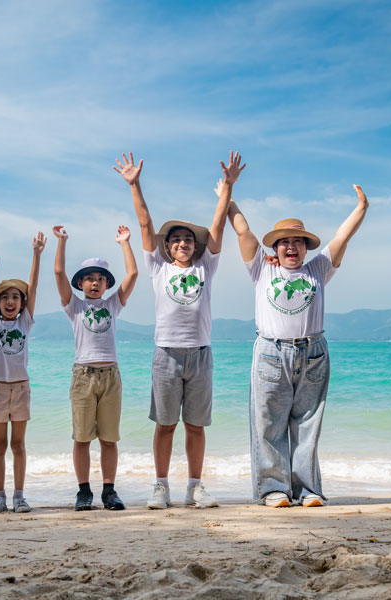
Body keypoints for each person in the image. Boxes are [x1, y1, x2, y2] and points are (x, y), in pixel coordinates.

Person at [113, 151, 245, 509]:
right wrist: (135, 184)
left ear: (195, 247)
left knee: (196, 426)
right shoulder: (158, 267)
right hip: (166, 354)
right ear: (167, 247)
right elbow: (144, 224)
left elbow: (217, 229)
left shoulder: (206, 268)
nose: (183, 243)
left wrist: (227, 190)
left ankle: (195, 487)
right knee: (166, 425)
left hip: (200, 354)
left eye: (188, 239)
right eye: (176, 240)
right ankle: (160, 487)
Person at [226, 184, 369, 507]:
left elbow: (342, 238)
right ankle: (274, 489)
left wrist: (361, 208)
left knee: (307, 423)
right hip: (271, 352)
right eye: (284, 243)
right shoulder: (261, 268)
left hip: (313, 352)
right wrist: (228, 196)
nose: (291, 248)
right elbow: (243, 231)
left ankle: (307, 489)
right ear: (274, 249)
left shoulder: (318, 269)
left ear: (306, 248)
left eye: (298, 242)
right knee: (268, 423)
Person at [51, 224, 138, 511]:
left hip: (111, 376)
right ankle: (83, 491)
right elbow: (58, 274)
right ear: (81, 284)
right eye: (89, 279)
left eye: (100, 279)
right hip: (83, 376)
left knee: (109, 438)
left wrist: (124, 242)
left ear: (106, 284)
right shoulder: (74, 307)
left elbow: (133, 274)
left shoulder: (113, 305)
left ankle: (109, 491)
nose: (95, 283)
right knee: (82, 438)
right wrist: (62, 242)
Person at [0, 229, 46, 514]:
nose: (11, 301)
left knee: (18, 444)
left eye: (16, 297)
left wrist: (36, 255)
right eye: (5, 298)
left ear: (22, 303)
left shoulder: (25, 322)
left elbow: (34, 287)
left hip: (21, 388)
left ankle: (19, 496)